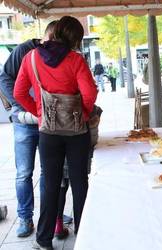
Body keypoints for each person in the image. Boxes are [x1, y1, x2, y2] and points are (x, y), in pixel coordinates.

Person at [14, 16, 98, 249]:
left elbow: (19, 93)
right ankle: (84, 235)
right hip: (76, 132)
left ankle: (43, 240)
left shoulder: (30, 58)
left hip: (48, 132)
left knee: (50, 184)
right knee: (80, 182)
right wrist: (82, 113)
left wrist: (40, 114)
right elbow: (90, 93)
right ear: (76, 39)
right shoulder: (76, 60)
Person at [0, 21, 58, 238]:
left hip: (46, 124)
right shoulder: (25, 49)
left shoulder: (59, 55)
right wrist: (23, 105)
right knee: (24, 173)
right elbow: (4, 78)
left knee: (48, 172)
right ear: (49, 36)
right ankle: (25, 218)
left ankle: (50, 216)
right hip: (24, 122)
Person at [54, 105, 102, 240]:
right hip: (78, 147)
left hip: (54, 144)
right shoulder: (90, 108)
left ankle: (57, 225)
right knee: (79, 185)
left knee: (60, 185)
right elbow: (92, 139)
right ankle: (81, 228)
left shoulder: (50, 101)